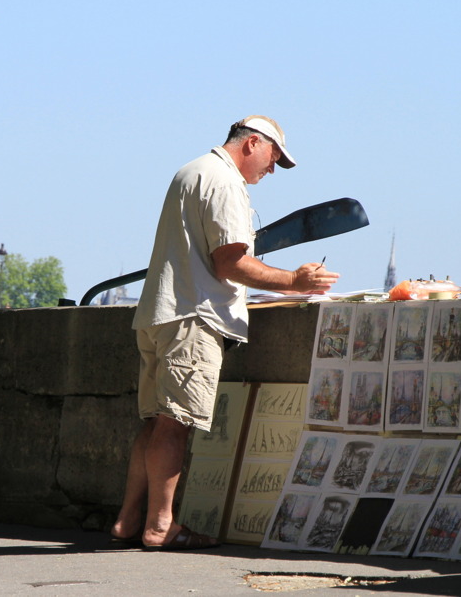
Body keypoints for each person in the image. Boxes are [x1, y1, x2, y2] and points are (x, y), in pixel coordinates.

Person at [110, 115, 340, 550]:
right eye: (274, 158)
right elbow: (229, 262)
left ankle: (127, 519)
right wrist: (296, 281)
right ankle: (161, 527)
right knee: (175, 426)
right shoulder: (227, 182)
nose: (271, 170)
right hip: (193, 317)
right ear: (253, 143)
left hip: (159, 313)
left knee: (156, 423)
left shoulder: (192, 170)